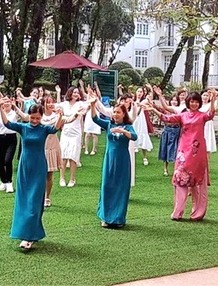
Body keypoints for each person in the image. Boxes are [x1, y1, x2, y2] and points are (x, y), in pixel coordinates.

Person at [0, 98, 64, 250]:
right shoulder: (23, 127)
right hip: (25, 167)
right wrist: (1, 109)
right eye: (32, 117)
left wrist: (60, 115)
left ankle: (30, 235)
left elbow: (55, 128)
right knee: (23, 200)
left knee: (34, 200)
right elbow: (7, 123)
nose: (34, 120)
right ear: (28, 115)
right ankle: (24, 232)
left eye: (37, 118)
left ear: (41, 117)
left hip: (39, 166)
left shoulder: (44, 128)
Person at [144, 89, 218, 221]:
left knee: (198, 183)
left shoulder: (202, 116)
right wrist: (154, 109)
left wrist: (212, 100)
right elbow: (166, 118)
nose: (194, 104)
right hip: (183, 152)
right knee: (180, 180)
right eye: (192, 101)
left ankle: (198, 213)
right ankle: (177, 212)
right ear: (188, 102)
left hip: (198, 153)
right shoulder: (183, 115)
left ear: (199, 103)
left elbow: (211, 114)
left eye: (196, 102)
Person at [89, 93, 136, 228]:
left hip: (122, 161)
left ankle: (118, 218)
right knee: (107, 186)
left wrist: (123, 132)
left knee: (121, 188)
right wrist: (92, 105)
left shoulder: (128, 126)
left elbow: (134, 136)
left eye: (118, 112)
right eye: (114, 112)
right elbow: (95, 119)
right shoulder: (109, 124)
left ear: (124, 114)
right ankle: (105, 217)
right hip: (110, 160)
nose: (115, 114)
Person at [56, 85, 86, 187]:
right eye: (74, 92)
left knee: (73, 157)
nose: (76, 94)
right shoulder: (64, 104)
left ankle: (72, 179)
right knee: (63, 156)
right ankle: (62, 178)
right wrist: (58, 92)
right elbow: (57, 106)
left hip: (76, 133)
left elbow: (87, 106)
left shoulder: (80, 104)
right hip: (65, 133)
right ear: (70, 93)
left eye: (77, 93)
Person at [153, 87, 184, 177]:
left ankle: (176, 169)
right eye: (173, 100)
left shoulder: (180, 110)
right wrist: (159, 96)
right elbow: (161, 107)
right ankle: (165, 169)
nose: (174, 102)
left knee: (176, 150)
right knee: (165, 149)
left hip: (177, 130)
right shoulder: (167, 109)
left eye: (176, 100)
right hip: (167, 130)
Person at [131, 85, 154, 166]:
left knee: (143, 135)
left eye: (141, 92)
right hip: (134, 120)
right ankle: (131, 157)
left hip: (141, 120)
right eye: (138, 91)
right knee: (133, 136)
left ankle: (145, 157)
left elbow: (151, 104)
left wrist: (151, 89)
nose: (139, 93)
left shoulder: (144, 101)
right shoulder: (133, 101)